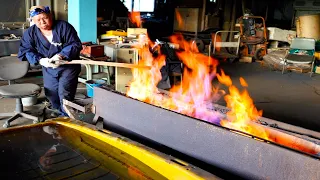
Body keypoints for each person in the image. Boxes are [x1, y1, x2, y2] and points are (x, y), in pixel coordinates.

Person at [18, 6, 82, 117]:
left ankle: (66, 118)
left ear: (50, 16)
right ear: (33, 21)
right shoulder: (30, 33)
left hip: (67, 67)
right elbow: (26, 50)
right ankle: (59, 111)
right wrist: (40, 60)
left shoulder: (64, 27)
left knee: (65, 94)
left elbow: (75, 44)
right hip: (48, 68)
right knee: (51, 93)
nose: (42, 22)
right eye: (38, 20)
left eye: (45, 18)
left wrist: (61, 55)